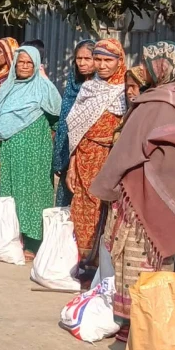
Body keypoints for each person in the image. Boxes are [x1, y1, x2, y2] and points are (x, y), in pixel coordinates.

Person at [91, 42, 175, 338]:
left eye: (147, 64)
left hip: (140, 196)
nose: (143, 69)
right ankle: (148, 322)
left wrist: (109, 183)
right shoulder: (174, 100)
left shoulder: (155, 104)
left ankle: (136, 323)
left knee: (136, 258)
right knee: (151, 261)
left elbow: (127, 151)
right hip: (160, 193)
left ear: (159, 67)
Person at [0, 45, 62, 257]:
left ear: (36, 64)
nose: (24, 66)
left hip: (35, 150)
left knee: (33, 192)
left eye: (29, 62)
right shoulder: (7, 87)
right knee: (11, 192)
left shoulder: (45, 88)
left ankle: (33, 242)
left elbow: (57, 120)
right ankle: (13, 236)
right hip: (10, 149)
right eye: (20, 62)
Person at [66, 38, 127, 258]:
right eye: (98, 59)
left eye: (107, 60)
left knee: (107, 210)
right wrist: (71, 166)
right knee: (82, 208)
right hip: (83, 157)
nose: (102, 65)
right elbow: (76, 130)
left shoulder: (125, 91)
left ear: (119, 61)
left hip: (109, 159)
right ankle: (81, 261)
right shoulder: (88, 88)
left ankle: (101, 264)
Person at [53, 40, 97, 207]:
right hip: (67, 152)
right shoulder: (73, 84)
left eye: (88, 58)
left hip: (88, 154)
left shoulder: (100, 88)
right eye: (79, 59)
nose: (82, 63)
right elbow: (64, 120)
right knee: (65, 203)